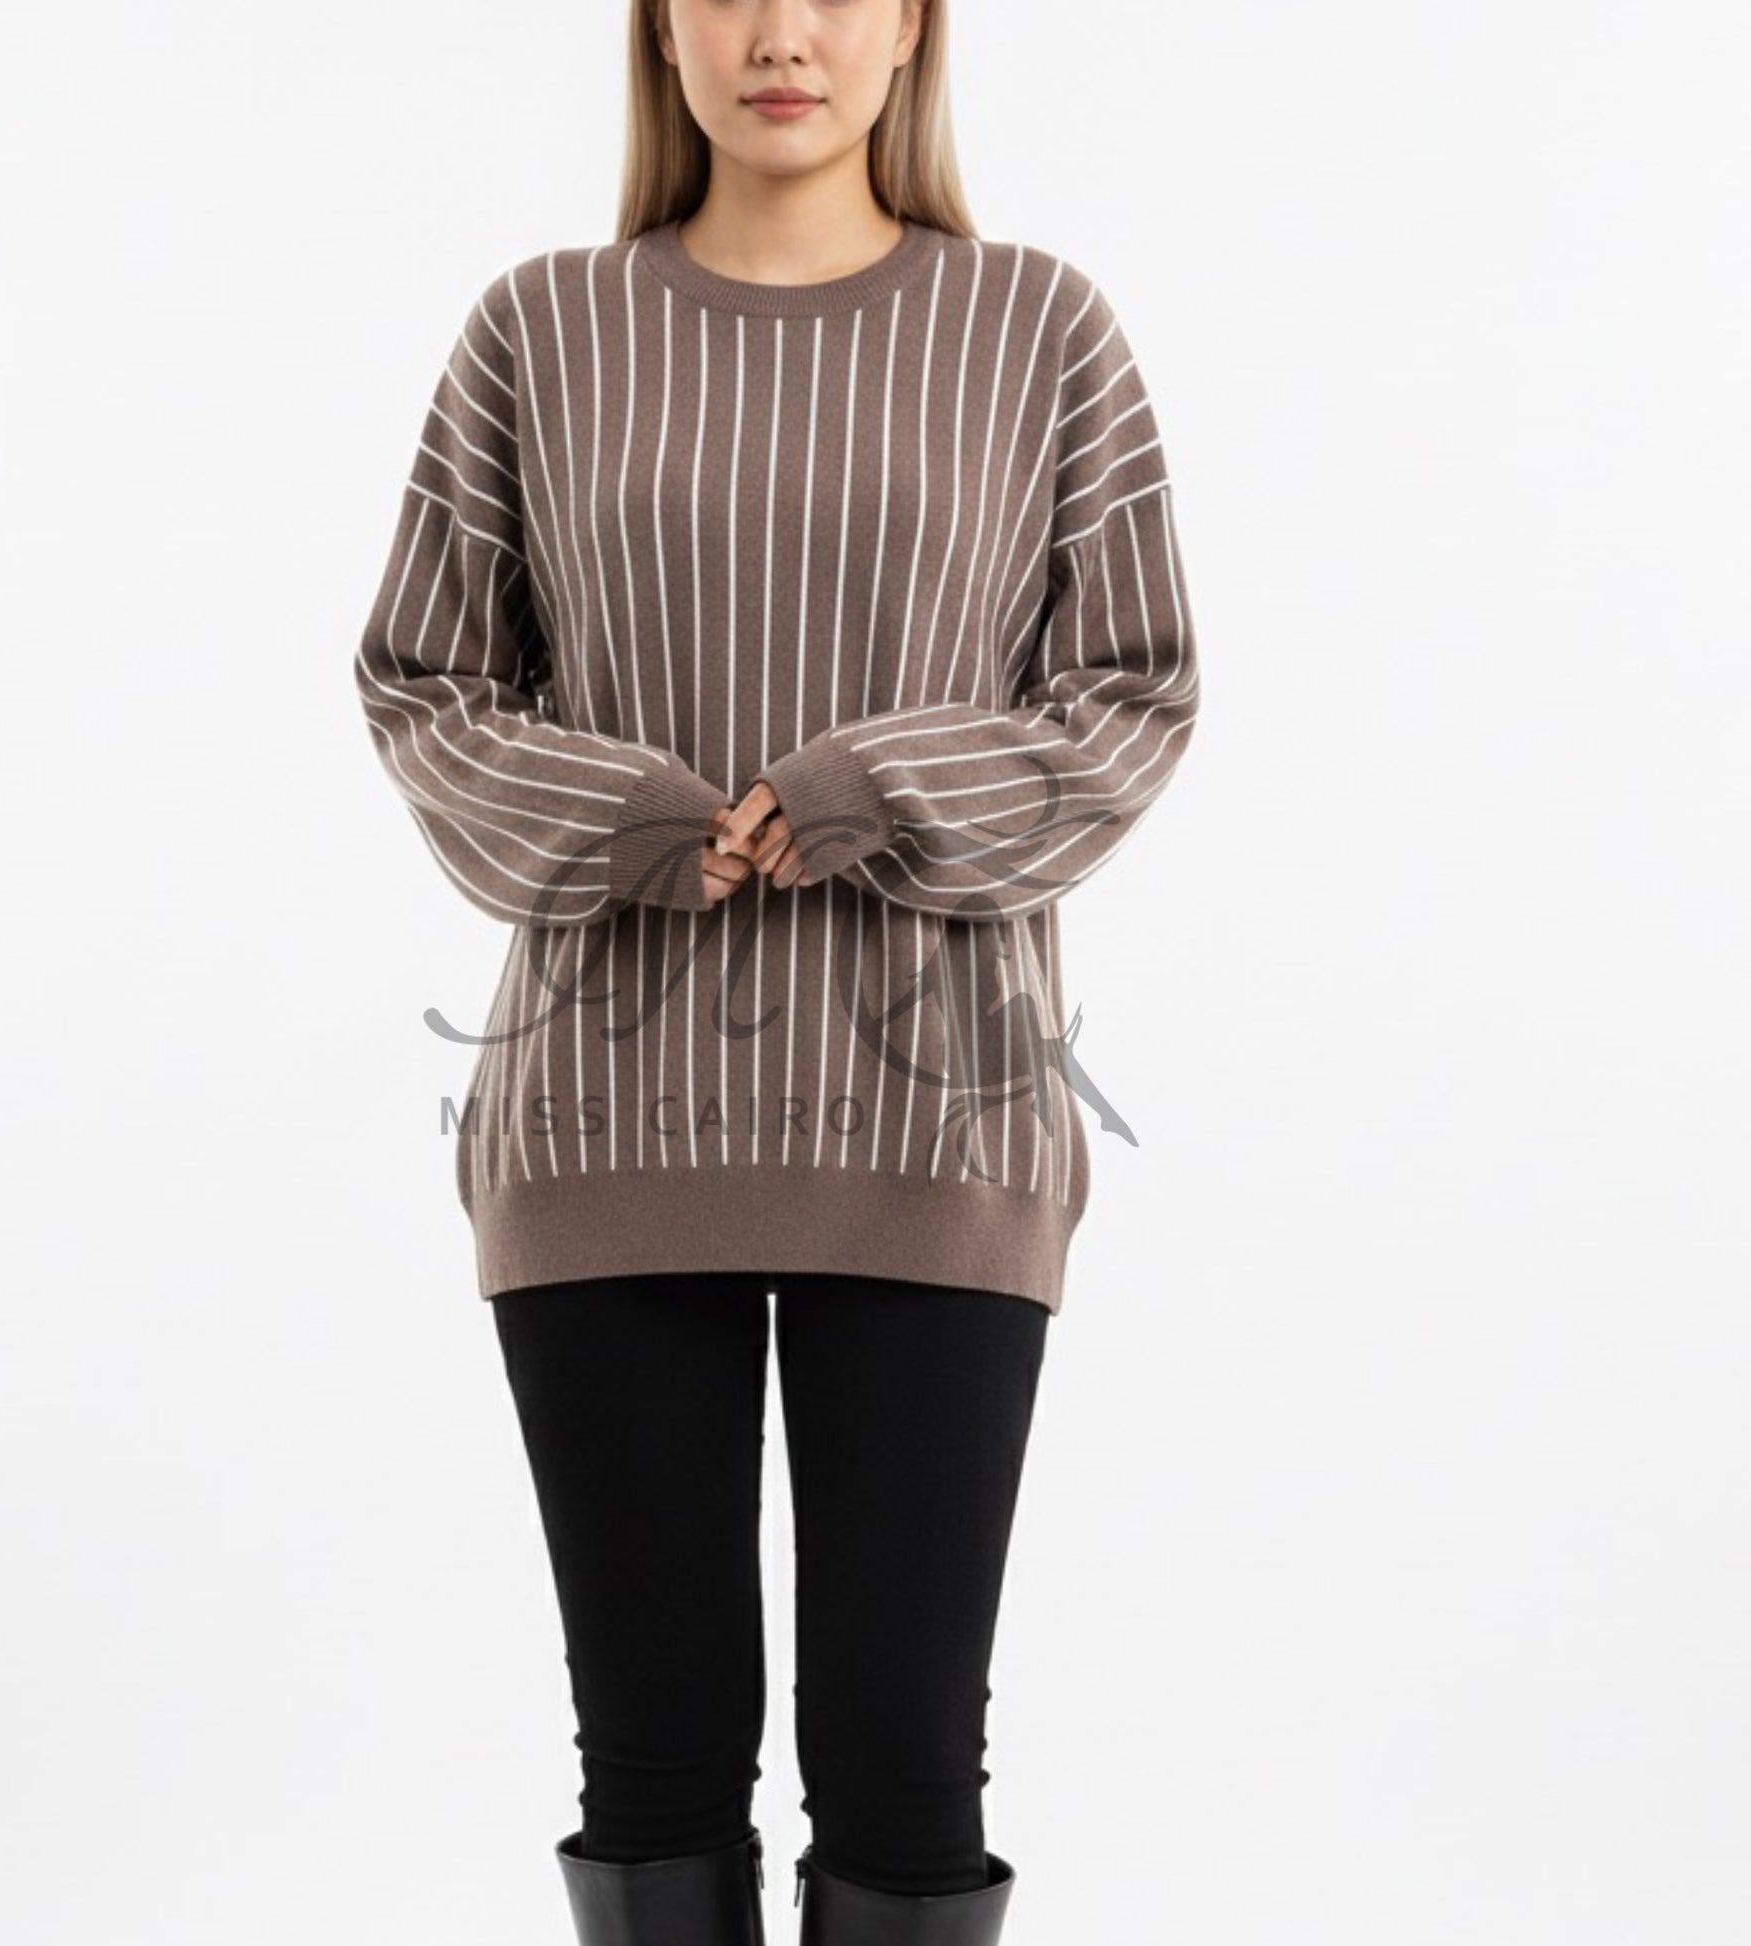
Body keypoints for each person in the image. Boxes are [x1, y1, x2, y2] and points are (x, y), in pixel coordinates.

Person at [353, 3, 1201, 1939]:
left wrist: (871, 790)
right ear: (661, 30)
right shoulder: (540, 328)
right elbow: (423, 682)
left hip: (937, 1122)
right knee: (651, 1763)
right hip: (605, 1121)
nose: (781, 32)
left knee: (905, 1770)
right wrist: (629, 816)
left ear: (911, 30)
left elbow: (1131, 692)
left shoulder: (1038, 328)